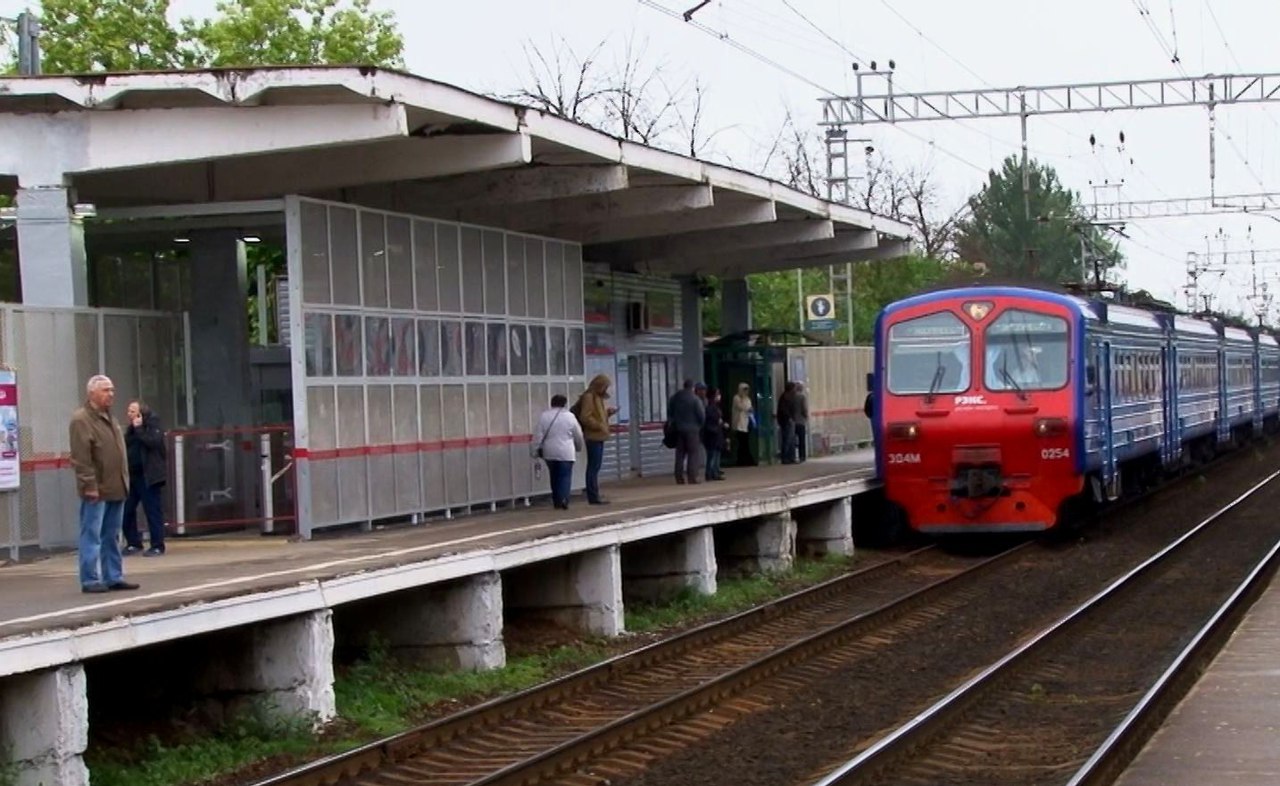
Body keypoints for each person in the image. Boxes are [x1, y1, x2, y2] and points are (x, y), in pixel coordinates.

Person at [69, 375, 138, 593]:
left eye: (112, 390)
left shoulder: (111, 418)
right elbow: (82, 457)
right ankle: (90, 578)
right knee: (92, 533)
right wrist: (89, 485)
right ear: (92, 393)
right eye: (106, 390)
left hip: (115, 486)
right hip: (96, 489)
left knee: (112, 534)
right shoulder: (81, 419)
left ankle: (113, 576)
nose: (111, 394)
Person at [122, 400, 168, 556]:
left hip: (148, 475)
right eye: (129, 411)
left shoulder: (152, 427)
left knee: (152, 510)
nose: (129, 414)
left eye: (133, 411)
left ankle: (157, 545)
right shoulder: (130, 430)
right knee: (127, 509)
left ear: (141, 413)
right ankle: (133, 542)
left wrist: (140, 428)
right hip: (132, 475)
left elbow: (153, 443)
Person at [531, 393, 585, 510]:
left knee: (554, 476)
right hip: (566, 452)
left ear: (552, 403)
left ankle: (557, 500)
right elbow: (578, 434)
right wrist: (579, 447)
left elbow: (538, 436)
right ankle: (564, 499)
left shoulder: (544, 416)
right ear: (565, 404)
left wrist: (534, 450)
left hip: (549, 452)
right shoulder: (570, 416)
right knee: (565, 476)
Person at [572, 374, 616, 506]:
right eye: (605, 386)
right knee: (593, 467)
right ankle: (593, 495)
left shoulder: (597, 397)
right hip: (593, 436)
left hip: (599, 435)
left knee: (595, 466)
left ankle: (594, 493)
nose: (606, 389)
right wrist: (599, 425)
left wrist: (607, 413)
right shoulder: (589, 397)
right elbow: (585, 417)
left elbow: (596, 415)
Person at [667, 379, 705, 484]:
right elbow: (701, 416)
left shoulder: (675, 398)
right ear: (692, 387)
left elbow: (670, 412)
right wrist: (699, 426)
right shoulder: (695, 399)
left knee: (680, 454)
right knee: (693, 453)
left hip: (678, 429)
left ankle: (679, 477)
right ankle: (692, 477)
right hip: (692, 430)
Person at [701, 386, 727, 481]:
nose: (719, 396)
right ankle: (710, 473)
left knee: (716, 454)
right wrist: (719, 422)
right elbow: (711, 420)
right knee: (712, 455)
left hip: (716, 433)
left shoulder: (714, 407)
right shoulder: (710, 407)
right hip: (712, 434)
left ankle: (715, 471)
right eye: (717, 394)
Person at [731, 382, 756, 467]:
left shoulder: (747, 399)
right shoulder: (737, 398)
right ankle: (742, 460)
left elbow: (750, 409)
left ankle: (746, 460)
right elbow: (741, 407)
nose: (746, 392)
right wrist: (748, 408)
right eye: (744, 390)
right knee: (742, 443)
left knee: (745, 443)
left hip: (746, 423)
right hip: (739, 423)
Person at [776, 381, 799, 464]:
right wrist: (789, 417)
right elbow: (783, 410)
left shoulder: (790, 396)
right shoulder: (785, 397)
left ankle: (791, 457)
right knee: (787, 439)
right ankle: (785, 457)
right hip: (786, 421)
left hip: (790, 420)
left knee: (792, 439)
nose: (795, 390)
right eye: (794, 388)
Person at [793, 382, 810, 463]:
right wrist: (806, 416)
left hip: (793, 421)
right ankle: (802, 456)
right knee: (801, 440)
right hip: (801, 421)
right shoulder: (802, 397)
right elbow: (804, 408)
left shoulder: (792, 397)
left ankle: (792, 456)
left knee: (792, 440)